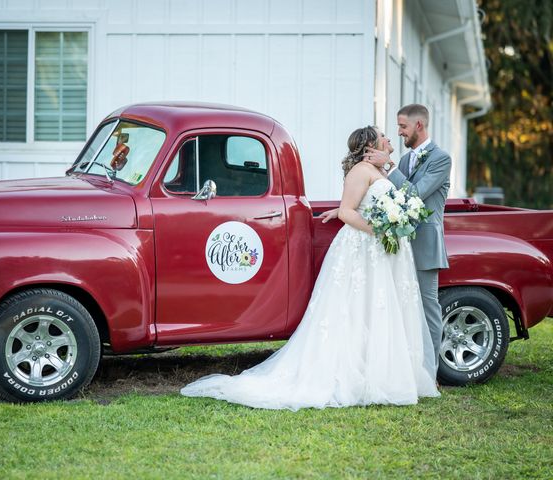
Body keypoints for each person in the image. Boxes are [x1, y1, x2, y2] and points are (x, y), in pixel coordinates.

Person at [180, 126, 440, 411]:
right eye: (383, 135)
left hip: (383, 251)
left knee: (379, 310)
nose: (389, 138)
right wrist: (380, 230)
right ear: (371, 146)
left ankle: (381, 373)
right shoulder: (361, 172)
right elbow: (347, 211)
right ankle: (354, 376)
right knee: (354, 310)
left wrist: (392, 223)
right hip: (366, 247)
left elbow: (379, 203)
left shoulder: (381, 172)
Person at [364, 104, 451, 370]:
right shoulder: (404, 161)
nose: (399, 132)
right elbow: (389, 198)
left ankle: (429, 371)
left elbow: (414, 194)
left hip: (425, 244)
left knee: (428, 308)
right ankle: (405, 369)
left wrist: (388, 165)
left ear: (419, 126)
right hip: (398, 242)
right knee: (400, 306)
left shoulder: (440, 159)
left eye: (403, 126)